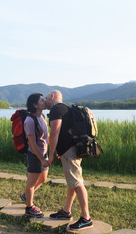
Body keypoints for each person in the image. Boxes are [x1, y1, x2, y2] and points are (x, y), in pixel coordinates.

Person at [45, 90, 93, 231]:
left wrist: (51, 153)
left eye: (47, 98)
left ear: (52, 97)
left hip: (69, 152)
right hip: (74, 149)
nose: (46, 101)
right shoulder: (66, 108)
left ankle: (86, 218)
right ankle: (66, 211)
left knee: (77, 183)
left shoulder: (56, 109)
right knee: (72, 181)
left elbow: (55, 132)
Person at [21, 93, 49, 218]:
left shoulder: (42, 116)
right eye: (42, 100)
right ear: (35, 105)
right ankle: (29, 207)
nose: (45, 101)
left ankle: (25, 196)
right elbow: (32, 144)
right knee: (31, 183)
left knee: (43, 179)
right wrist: (42, 159)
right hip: (35, 155)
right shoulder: (29, 120)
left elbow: (46, 137)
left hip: (44, 153)